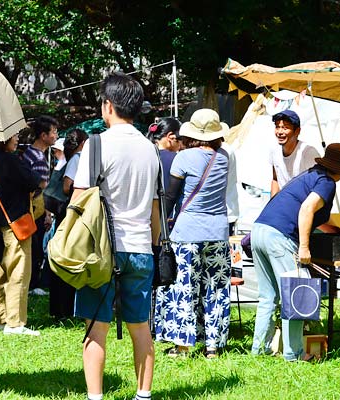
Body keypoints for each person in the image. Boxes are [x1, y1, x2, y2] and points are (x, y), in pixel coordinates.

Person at [72, 72, 160, 400]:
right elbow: (154, 207)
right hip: (141, 249)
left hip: (102, 251)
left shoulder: (96, 145)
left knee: (96, 327)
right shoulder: (150, 150)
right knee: (141, 327)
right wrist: (153, 245)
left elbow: (79, 200)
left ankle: (95, 397)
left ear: (108, 106)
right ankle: (143, 394)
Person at [251, 143, 340, 361]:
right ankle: (295, 354)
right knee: (295, 295)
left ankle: (258, 351)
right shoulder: (326, 182)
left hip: (259, 230)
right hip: (280, 237)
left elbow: (322, 218)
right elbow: (307, 209)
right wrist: (304, 246)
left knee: (267, 296)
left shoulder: (309, 175)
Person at [154, 108, 232, 359]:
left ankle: (182, 346)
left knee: (184, 288)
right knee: (215, 288)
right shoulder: (224, 157)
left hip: (187, 232)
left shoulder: (184, 157)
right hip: (218, 232)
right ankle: (213, 346)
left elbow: (172, 195)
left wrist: (161, 224)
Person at [0, 133, 44, 336]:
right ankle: (15, 322)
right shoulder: (10, 160)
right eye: (14, 136)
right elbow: (33, 181)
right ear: (4, 139)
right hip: (15, 225)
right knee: (18, 272)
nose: (17, 139)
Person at [47, 128, 88, 320]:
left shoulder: (74, 159)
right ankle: (62, 308)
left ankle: (64, 307)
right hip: (70, 214)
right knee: (66, 257)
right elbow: (66, 185)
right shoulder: (77, 160)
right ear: (82, 143)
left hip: (69, 214)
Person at [23, 115, 58, 295]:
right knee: (35, 248)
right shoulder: (38, 158)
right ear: (43, 135)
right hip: (34, 210)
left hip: (28, 209)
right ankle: (33, 285)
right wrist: (47, 214)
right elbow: (40, 188)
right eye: (53, 132)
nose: (56, 136)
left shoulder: (29, 153)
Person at [270, 109, 320, 196]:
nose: (280, 132)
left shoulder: (308, 153)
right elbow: (275, 179)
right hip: (284, 204)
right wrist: (272, 203)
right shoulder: (275, 152)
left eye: (285, 128)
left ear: (297, 131)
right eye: (277, 127)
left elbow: (319, 185)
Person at [147, 117, 181, 191]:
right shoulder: (176, 159)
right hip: (165, 201)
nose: (181, 144)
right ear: (170, 137)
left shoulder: (145, 154)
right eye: (180, 139)